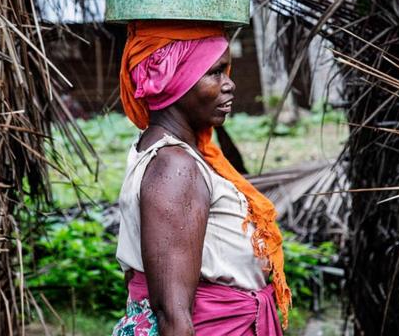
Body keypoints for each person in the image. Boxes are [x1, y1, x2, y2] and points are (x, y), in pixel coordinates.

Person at [111, 21, 291, 336]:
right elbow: (173, 315)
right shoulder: (175, 168)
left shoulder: (171, 154)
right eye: (214, 72)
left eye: (226, 71)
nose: (229, 84)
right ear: (173, 80)